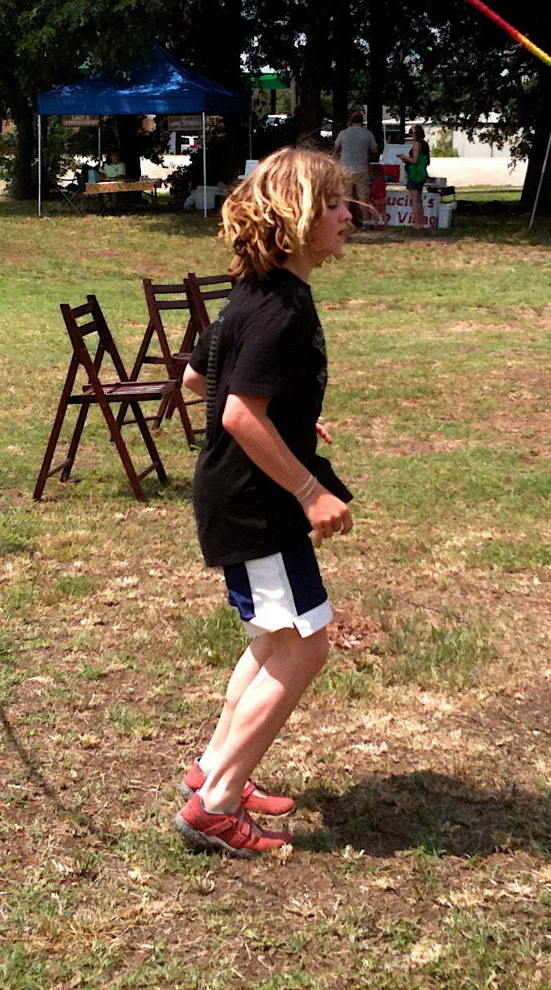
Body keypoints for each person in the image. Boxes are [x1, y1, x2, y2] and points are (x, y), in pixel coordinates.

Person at [173, 146, 354, 858]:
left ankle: (215, 771)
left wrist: (290, 413)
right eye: (334, 203)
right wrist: (308, 488)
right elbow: (236, 414)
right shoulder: (277, 307)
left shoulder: (253, 293)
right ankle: (214, 807)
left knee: (274, 639)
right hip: (257, 504)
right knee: (305, 646)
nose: (348, 215)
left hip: (240, 496)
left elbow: (197, 378)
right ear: (298, 217)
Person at [332, 110, 380, 217]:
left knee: (346, 197)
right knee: (363, 197)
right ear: (362, 121)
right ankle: (366, 220)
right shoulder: (367, 134)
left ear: (350, 120)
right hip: (361, 169)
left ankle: (346, 221)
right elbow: (375, 150)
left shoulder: (343, 133)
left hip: (345, 169)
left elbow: (335, 147)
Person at [398, 123, 431, 227]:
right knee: (419, 200)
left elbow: (414, 159)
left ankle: (417, 223)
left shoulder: (416, 144)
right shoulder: (425, 144)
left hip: (414, 173)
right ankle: (421, 222)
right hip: (422, 173)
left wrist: (405, 158)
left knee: (415, 200)